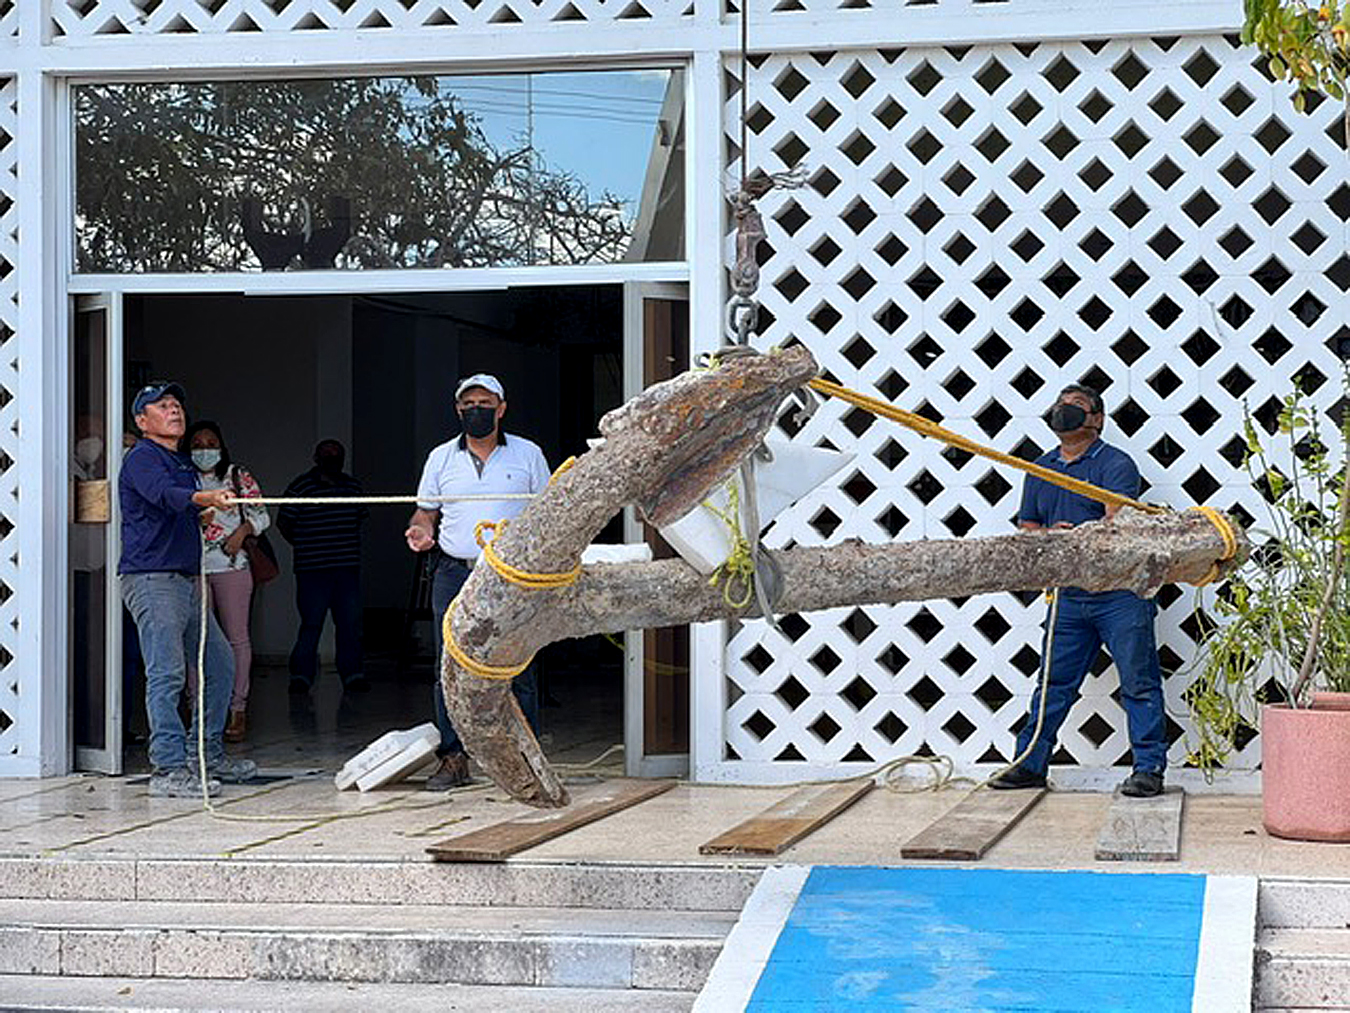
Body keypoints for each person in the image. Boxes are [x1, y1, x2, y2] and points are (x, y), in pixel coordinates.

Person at [989, 383, 1167, 798]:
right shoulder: (1040, 468)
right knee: (1052, 684)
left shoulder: (1116, 464)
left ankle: (1148, 769)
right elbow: (1028, 528)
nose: (1063, 411)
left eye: (1075, 406)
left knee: (1139, 682)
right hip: (1068, 596)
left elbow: (1118, 523)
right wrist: (1053, 536)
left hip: (1120, 595)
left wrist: (1076, 537)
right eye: (1059, 406)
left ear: (1097, 419)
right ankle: (1030, 763)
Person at [405, 374, 550, 791]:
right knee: (448, 666)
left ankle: (526, 760)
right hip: (454, 571)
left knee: (518, 665)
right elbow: (424, 512)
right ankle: (454, 758)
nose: (475, 410)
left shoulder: (528, 454)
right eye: (467, 404)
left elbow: (545, 513)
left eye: (484, 403)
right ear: (457, 410)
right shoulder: (440, 458)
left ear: (501, 408)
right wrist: (420, 530)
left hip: (511, 575)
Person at [118, 381, 257, 798]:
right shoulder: (142, 457)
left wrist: (202, 507)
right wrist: (202, 497)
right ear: (143, 422)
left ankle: (205, 756)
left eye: (177, 403)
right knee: (168, 673)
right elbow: (165, 496)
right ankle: (169, 768)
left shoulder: (177, 460)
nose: (174, 410)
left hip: (184, 578)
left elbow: (175, 505)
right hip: (152, 579)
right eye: (162, 406)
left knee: (220, 666)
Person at [184, 420, 271, 744]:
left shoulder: (237, 476)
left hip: (233, 565)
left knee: (237, 639)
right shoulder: (182, 476)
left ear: (221, 446)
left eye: (211, 443)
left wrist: (242, 532)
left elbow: (263, 515)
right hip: (192, 568)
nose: (205, 449)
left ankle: (237, 709)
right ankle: (197, 709)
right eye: (198, 443)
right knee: (197, 639)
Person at [277, 439, 369, 695]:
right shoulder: (300, 487)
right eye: (327, 455)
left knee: (350, 624)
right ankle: (301, 677)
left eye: (337, 455)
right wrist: (307, 546)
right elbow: (283, 522)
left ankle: (352, 675)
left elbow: (360, 519)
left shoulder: (353, 487)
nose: (332, 459)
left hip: (346, 569)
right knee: (311, 623)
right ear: (316, 458)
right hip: (312, 570)